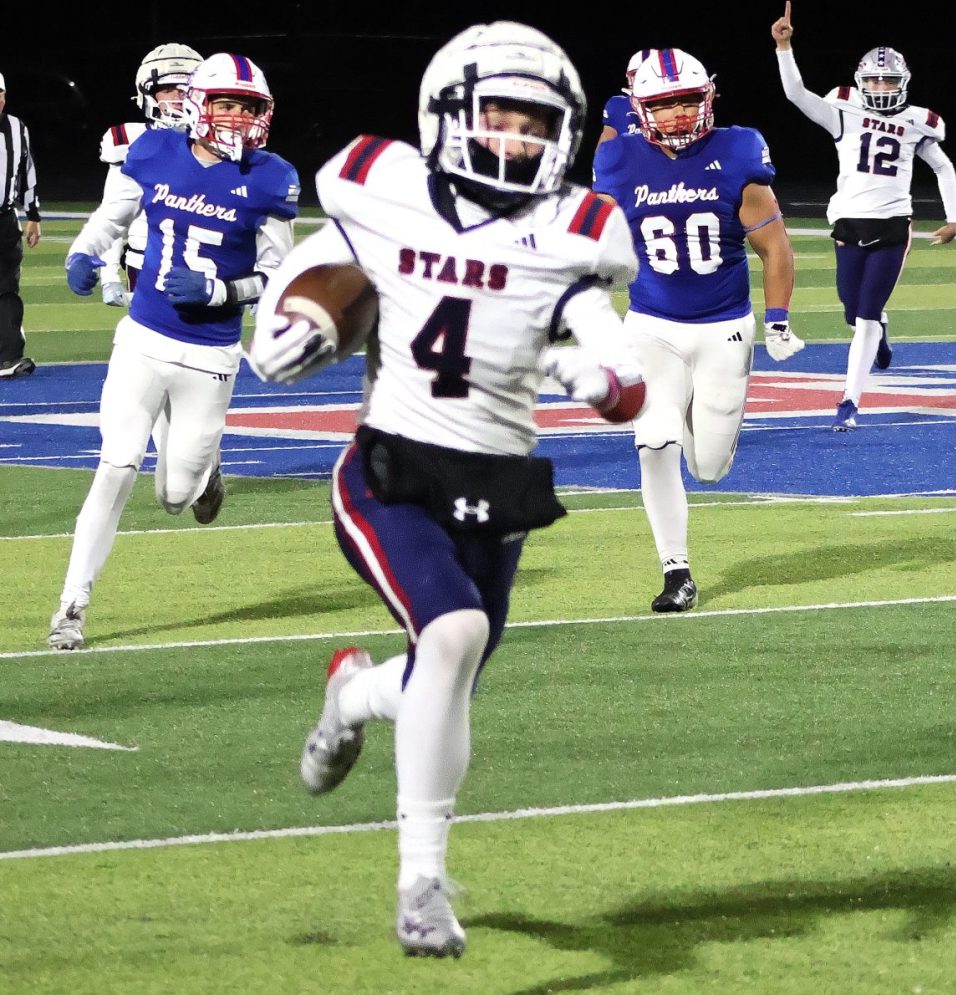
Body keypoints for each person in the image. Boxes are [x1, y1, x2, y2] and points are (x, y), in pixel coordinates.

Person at [249, 21, 644, 958]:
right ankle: (420, 883)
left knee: (446, 669)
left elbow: (627, 376)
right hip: (392, 470)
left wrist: (593, 376)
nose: (516, 140)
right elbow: (307, 285)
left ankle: (351, 697)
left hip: (497, 486)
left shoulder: (572, 230)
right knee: (455, 634)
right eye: (499, 117)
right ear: (446, 114)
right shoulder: (378, 187)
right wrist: (292, 328)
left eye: (535, 126)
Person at [47, 53, 299, 651]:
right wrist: (83, 253)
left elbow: (281, 275)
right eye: (225, 104)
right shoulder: (155, 152)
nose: (236, 118)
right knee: (116, 465)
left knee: (173, 496)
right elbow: (112, 216)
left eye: (247, 107)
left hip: (210, 357)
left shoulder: (270, 177)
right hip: (142, 338)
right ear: (196, 105)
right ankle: (72, 606)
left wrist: (221, 291)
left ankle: (205, 474)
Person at [593, 48, 799, 614]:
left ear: (708, 97)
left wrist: (778, 319)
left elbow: (775, 245)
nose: (679, 113)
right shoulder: (619, 158)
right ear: (640, 108)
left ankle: (686, 413)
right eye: (664, 104)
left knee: (708, 467)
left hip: (723, 327)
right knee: (653, 442)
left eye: (687, 100)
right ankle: (676, 571)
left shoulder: (738, 149)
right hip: (651, 324)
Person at [770, 1, 956, 430]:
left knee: (866, 315)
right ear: (861, 81)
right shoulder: (844, 110)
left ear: (903, 82)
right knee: (851, 309)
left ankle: (849, 402)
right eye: (874, 78)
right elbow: (796, 93)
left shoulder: (916, 121)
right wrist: (784, 48)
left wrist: (954, 217)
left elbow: (943, 166)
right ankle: (880, 329)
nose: (881, 85)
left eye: (888, 79)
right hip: (848, 221)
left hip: (892, 224)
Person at [96, 43, 204, 309]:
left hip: (209, 262)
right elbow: (114, 215)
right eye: (167, 90)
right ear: (148, 94)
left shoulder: (224, 145)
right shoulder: (130, 142)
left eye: (186, 89)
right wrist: (109, 275)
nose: (178, 97)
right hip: (146, 260)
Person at [0, 70, 42, 379]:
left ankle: (8, 357)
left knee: (6, 288)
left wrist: (33, 216)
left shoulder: (16, 127)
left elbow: (27, 170)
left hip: (3, 219)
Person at [595, 48, 653, 149]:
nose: (643, 80)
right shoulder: (619, 105)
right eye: (637, 74)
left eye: (649, 74)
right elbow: (604, 149)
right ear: (629, 77)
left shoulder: (673, 104)